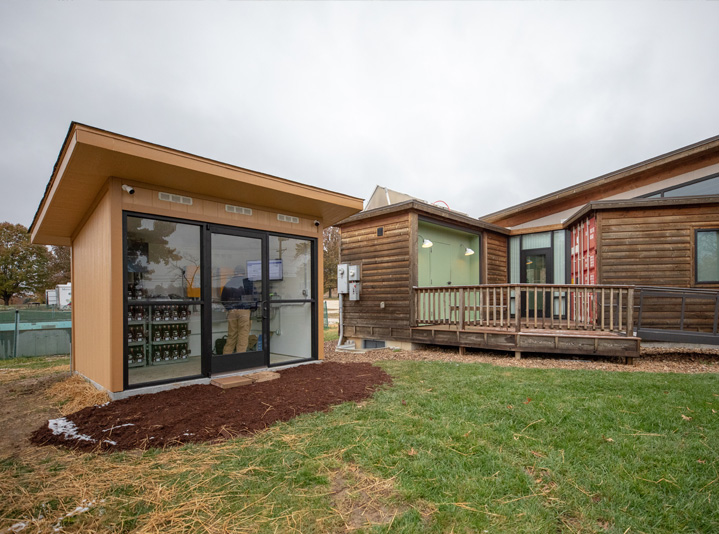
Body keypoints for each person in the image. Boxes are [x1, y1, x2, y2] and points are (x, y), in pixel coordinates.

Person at [220, 266, 255, 354]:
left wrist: (229, 308)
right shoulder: (247, 282)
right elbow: (253, 298)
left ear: (235, 273)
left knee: (231, 335)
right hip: (244, 311)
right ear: (243, 273)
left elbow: (223, 299)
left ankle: (226, 357)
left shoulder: (229, 283)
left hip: (232, 311)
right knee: (243, 335)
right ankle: (240, 358)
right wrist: (252, 309)